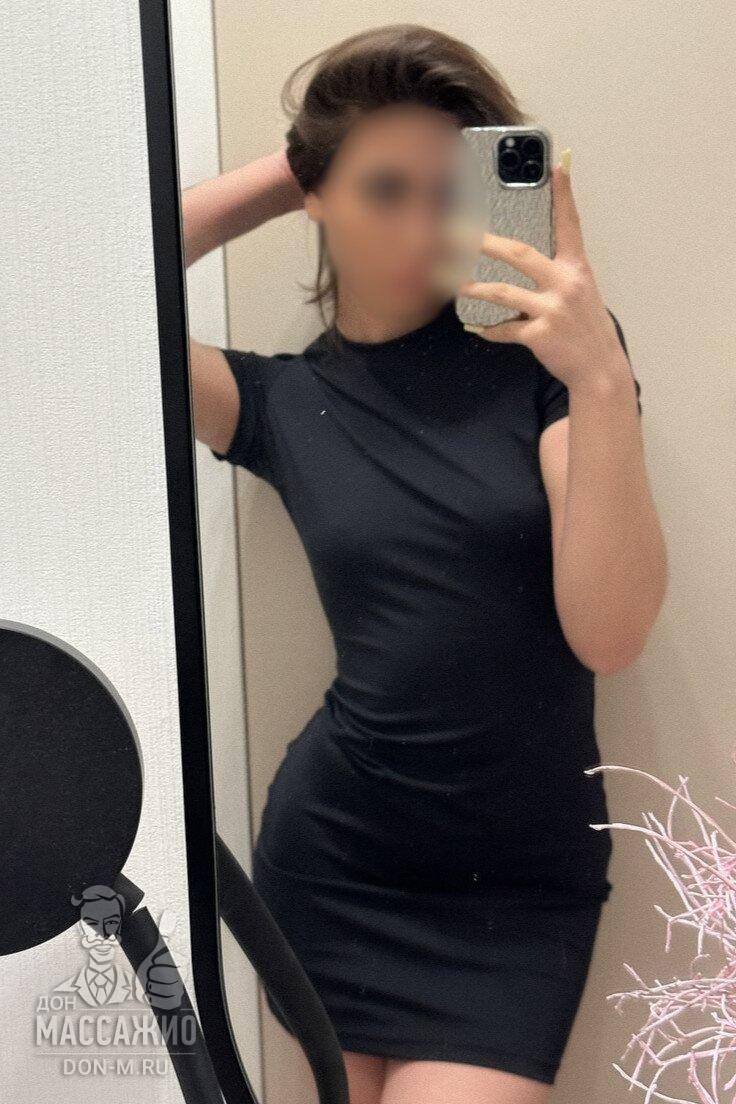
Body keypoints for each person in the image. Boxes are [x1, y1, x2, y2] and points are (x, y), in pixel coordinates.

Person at [182, 23, 668, 1104]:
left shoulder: (549, 365)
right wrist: (297, 168)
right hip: (336, 868)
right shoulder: (277, 401)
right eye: (384, 190)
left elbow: (611, 633)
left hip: (517, 898)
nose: (419, 226)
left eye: (450, 192)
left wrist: (597, 374)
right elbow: (105, 290)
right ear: (318, 195)